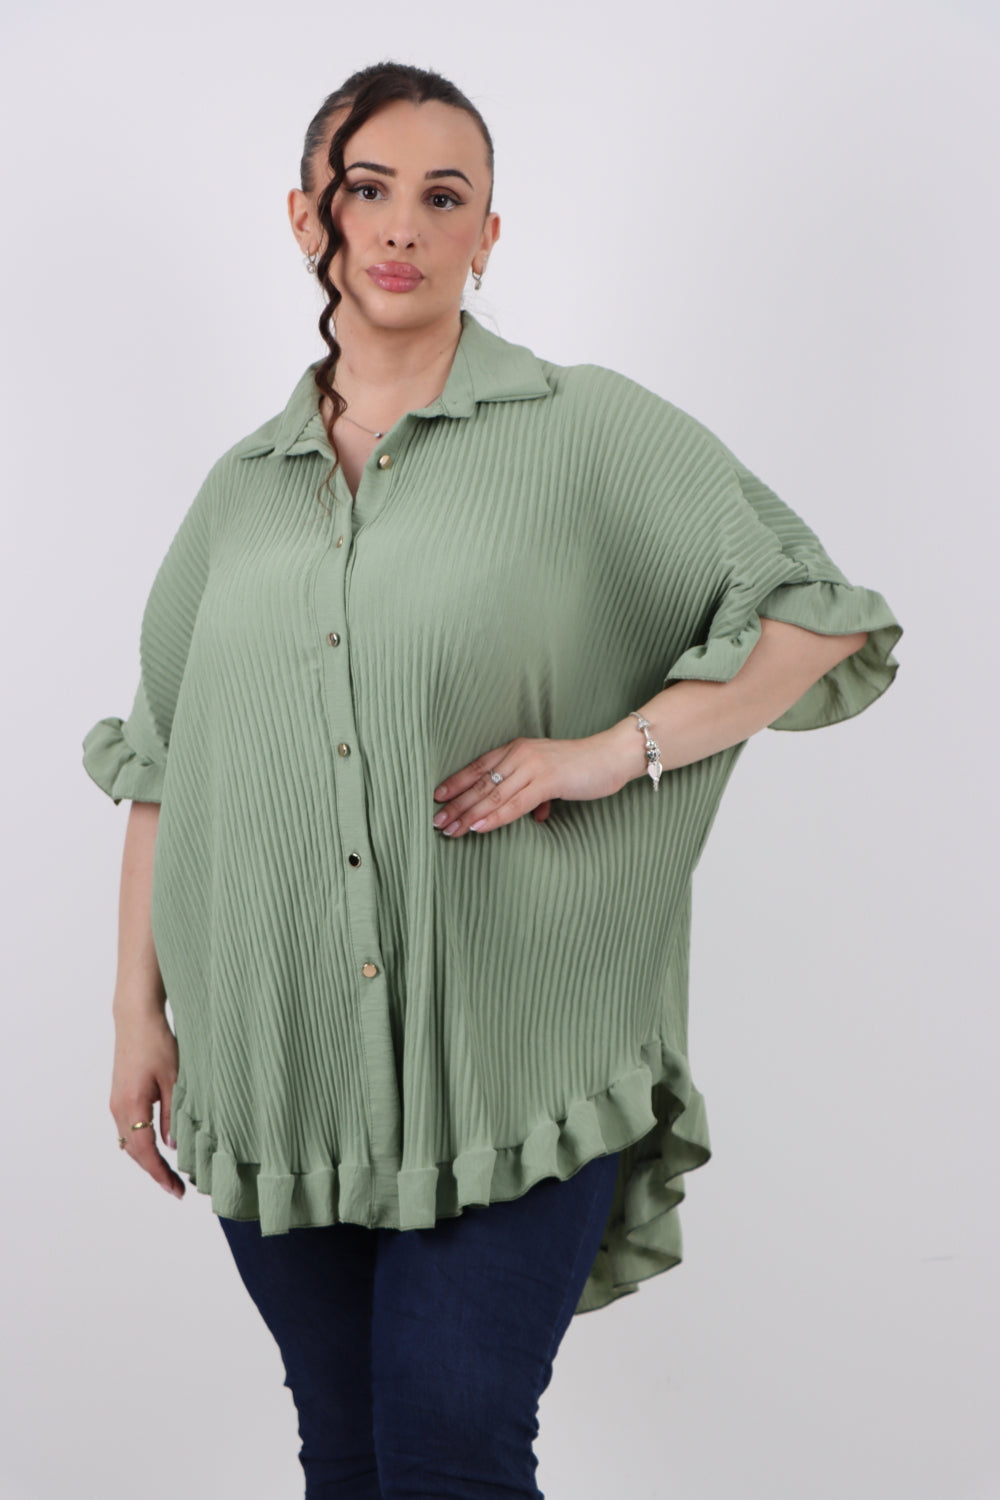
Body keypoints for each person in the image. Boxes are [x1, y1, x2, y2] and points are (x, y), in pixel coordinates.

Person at [82, 59, 903, 1500]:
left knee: (453, 1450)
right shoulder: (239, 493)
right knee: (348, 1457)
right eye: (368, 188)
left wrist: (611, 751)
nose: (403, 225)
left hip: (518, 1056)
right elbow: (165, 762)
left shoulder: (585, 430)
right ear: (307, 219)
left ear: (487, 234)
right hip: (280, 1067)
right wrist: (135, 1015)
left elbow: (818, 616)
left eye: (444, 196)